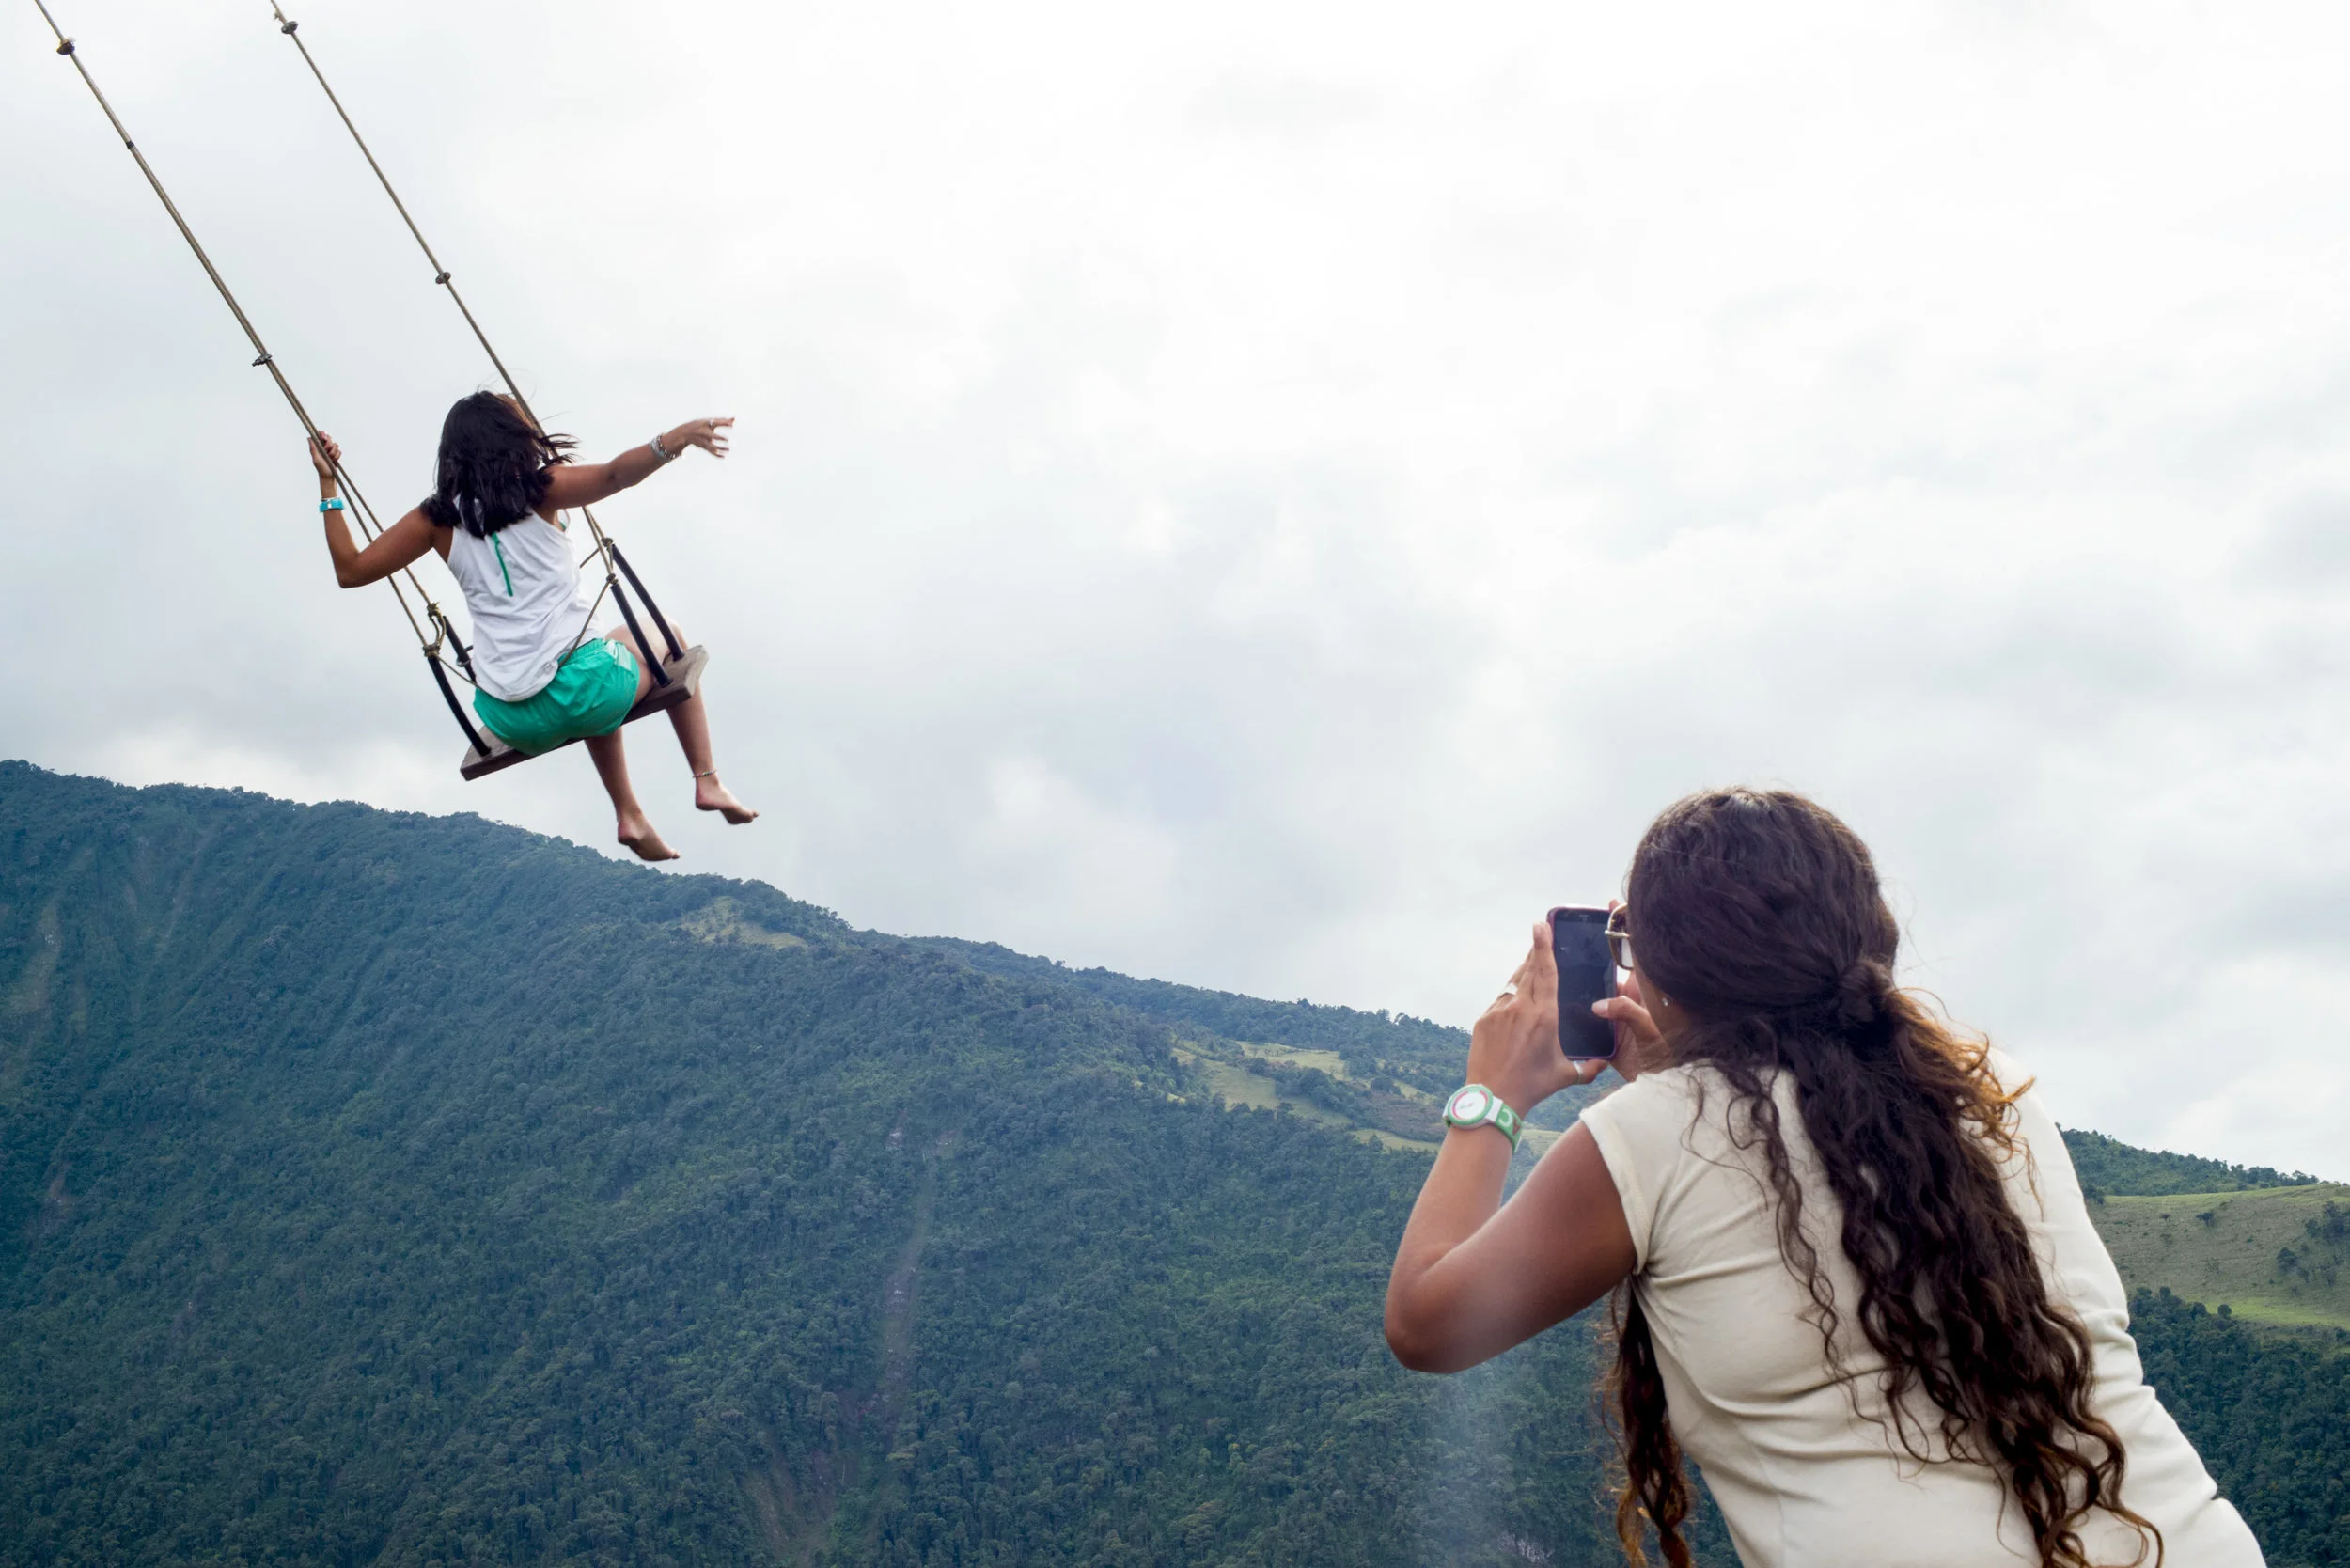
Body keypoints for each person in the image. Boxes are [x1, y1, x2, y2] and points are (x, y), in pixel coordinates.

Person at [1385, 788, 2263, 1568]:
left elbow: (1430, 1323)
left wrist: (1490, 1095)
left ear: (1662, 973)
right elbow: (1791, 1170)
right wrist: (1677, 1079)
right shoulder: (1990, 1093)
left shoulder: (1654, 1136)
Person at [306, 392, 756, 862]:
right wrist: (677, 437)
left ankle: (630, 814)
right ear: (508, 438)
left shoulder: (435, 519)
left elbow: (351, 571)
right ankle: (708, 781)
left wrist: (327, 484)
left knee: (586, 663)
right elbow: (614, 476)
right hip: (587, 691)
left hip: (512, 720)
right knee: (664, 635)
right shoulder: (540, 489)